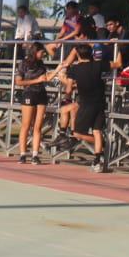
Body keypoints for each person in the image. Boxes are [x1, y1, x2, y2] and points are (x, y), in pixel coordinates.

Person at [64, 40, 111, 172]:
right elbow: (117, 63)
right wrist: (117, 47)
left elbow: (68, 89)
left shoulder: (75, 69)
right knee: (97, 131)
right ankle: (97, 159)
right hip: (100, 103)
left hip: (86, 105)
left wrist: (66, 99)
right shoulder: (97, 65)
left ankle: (102, 145)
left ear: (78, 55)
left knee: (77, 133)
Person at [14, 44, 54, 164]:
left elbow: (46, 78)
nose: (43, 55)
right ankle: (22, 154)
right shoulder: (24, 64)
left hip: (41, 95)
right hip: (29, 94)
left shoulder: (42, 64)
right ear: (35, 52)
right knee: (26, 125)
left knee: (38, 126)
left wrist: (57, 71)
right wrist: (36, 80)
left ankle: (35, 155)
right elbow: (18, 82)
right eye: (41, 52)